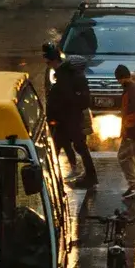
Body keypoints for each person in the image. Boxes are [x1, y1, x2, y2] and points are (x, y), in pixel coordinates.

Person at [43, 41, 98, 190]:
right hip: (68, 119)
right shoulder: (68, 75)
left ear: (52, 61)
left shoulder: (64, 76)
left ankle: (89, 175)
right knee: (69, 146)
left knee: (72, 146)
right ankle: (88, 174)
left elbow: (65, 99)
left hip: (67, 120)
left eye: (48, 62)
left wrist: (56, 116)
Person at [114, 62, 135, 198]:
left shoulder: (132, 90)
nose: (118, 82)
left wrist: (127, 131)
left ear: (122, 78)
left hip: (134, 131)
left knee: (122, 156)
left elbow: (133, 113)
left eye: (118, 79)